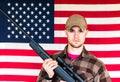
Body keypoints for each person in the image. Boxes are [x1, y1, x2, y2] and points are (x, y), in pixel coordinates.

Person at [36, 14, 112, 82]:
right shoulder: (51, 61)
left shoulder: (97, 65)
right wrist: (49, 77)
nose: (76, 36)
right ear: (66, 32)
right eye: (72, 31)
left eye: (80, 31)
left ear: (86, 33)